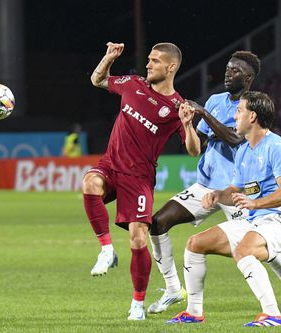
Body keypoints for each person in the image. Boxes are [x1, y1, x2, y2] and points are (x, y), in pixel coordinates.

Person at [149, 52, 281, 319]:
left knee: (258, 252)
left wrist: (203, 114)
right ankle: (189, 307)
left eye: (235, 70)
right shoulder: (221, 107)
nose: (228, 73)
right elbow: (198, 151)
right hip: (216, 188)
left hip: (268, 213)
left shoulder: (273, 144)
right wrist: (189, 128)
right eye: (227, 68)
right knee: (180, 235)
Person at [167, 91, 281, 327]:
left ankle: (273, 314)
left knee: (244, 250)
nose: (235, 115)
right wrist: (217, 195)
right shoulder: (243, 150)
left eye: (239, 111)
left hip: (279, 221)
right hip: (253, 221)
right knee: (195, 244)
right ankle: (193, 312)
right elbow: (235, 190)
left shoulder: (278, 147)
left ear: (252, 117)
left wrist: (255, 203)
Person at [83, 41, 200, 321]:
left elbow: (194, 150)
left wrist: (186, 124)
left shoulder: (176, 107)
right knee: (89, 182)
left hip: (139, 179)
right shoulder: (132, 84)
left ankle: (137, 304)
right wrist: (108, 58)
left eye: (155, 61)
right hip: (111, 166)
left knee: (137, 240)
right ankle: (107, 250)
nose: (148, 64)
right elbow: (97, 79)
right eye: (148, 59)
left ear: (171, 67)